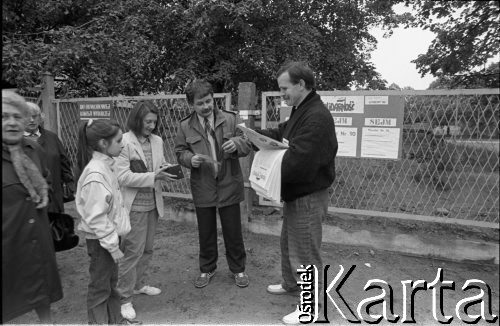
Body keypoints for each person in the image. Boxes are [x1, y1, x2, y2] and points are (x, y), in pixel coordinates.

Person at [257, 62, 338, 324]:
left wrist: (268, 174)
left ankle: (310, 307)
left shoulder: (317, 116)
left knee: (304, 251)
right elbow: (282, 133)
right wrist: (253, 137)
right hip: (297, 193)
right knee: (288, 243)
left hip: (308, 195)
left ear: (301, 84)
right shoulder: (301, 110)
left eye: (285, 88)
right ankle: (290, 283)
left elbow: (299, 159)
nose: (282, 94)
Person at [174, 79, 252, 289]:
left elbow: (247, 145)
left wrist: (235, 144)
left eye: (208, 101)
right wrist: (190, 159)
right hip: (203, 185)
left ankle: (238, 269)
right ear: (192, 104)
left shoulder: (230, 119)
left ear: (213, 98)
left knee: (233, 231)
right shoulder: (184, 125)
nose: (206, 106)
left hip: (228, 183)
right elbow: (180, 152)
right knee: (205, 232)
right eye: (200, 103)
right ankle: (207, 268)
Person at [2, 90, 63, 323]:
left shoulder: (33, 149)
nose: (12, 122)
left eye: (17, 116)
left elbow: (46, 177)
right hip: (8, 246)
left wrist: (42, 190)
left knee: (42, 298)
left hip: (36, 240)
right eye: (3, 116)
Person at [114, 101, 178, 320]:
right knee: (132, 252)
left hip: (153, 203)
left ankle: (139, 284)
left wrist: (165, 168)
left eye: (154, 122)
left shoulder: (157, 140)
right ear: (137, 119)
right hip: (133, 206)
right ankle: (124, 299)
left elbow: (156, 164)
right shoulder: (123, 140)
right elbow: (122, 177)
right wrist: (154, 176)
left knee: (147, 249)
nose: (152, 125)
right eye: (148, 121)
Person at [75, 118, 136, 325]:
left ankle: (116, 321)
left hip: (109, 239)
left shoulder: (107, 166)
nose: (123, 144)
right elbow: (96, 217)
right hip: (102, 242)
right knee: (100, 288)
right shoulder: (96, 173)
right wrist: (112, 246)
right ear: (103, 144)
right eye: (119, 141)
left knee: (110, 284)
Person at [24, 101, 75, 213]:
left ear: (40, 117)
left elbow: (64, 164)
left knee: (54, 228)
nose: (32, 120)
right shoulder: (14, 141)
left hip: (53, 198)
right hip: (27, 200)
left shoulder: (52, 137)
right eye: (27, 116)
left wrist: (71, 187)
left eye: (35, 116)